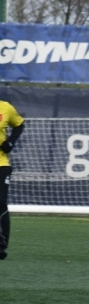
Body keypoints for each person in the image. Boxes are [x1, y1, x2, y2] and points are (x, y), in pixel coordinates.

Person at [0, 98, 25, 260]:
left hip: (1, 165)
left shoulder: (5, 107)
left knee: (0, 203)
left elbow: (19, 125)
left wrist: (10, 142)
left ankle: (1, 245)